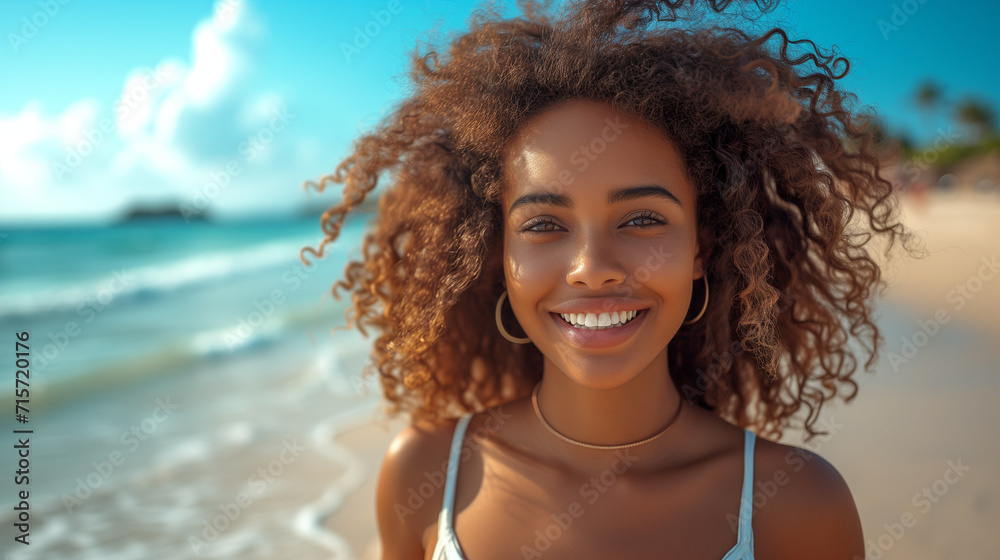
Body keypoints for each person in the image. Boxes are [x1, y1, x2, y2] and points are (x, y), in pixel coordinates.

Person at [300, 1, 920, 558]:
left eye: (643, 219)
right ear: (498, 255)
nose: (592, 267)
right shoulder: (426, 474)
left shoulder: (797, 505)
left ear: (704, 247)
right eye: (544, 224)